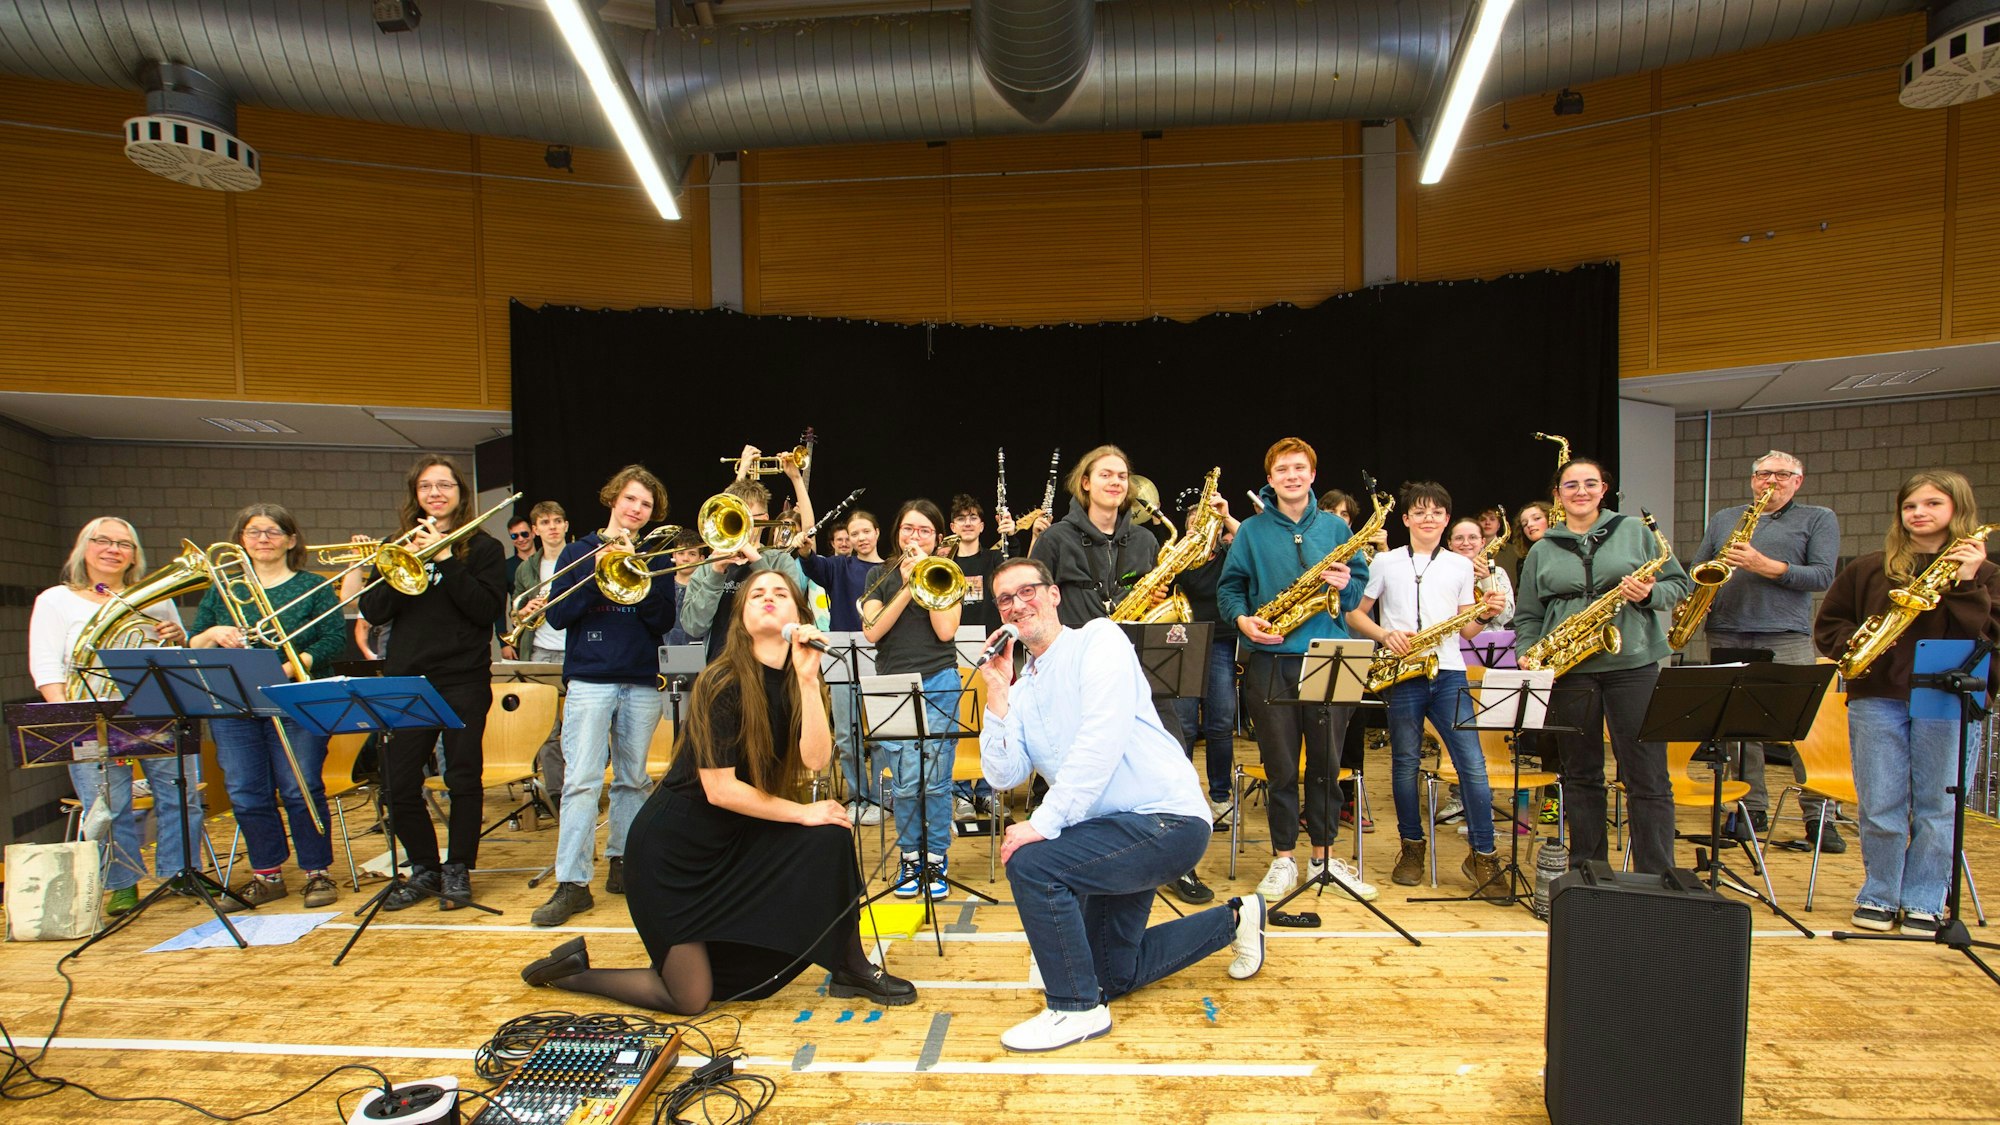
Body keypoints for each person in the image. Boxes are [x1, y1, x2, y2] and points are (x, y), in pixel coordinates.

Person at [519, 570, 914, 1012]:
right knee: (689, 997)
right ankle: (575, 972)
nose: (767, 598)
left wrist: (807, 680)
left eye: (780, 593)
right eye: (756, 595)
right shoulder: (721, 682)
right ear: (741, 618)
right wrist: (803, 812)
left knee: (831, 834)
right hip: (674, 856)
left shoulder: (796, 679)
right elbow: (721, 790)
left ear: (800, 615)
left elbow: (816, 759)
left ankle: (849, 965)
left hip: (734, 840)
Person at [978, 557, 1264, 1052]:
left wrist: (1041, 824)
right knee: (1112, 972)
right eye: (1005, 599)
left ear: (1053, 595)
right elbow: (1004, 775)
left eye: (1028, 591)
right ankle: (1237, 920)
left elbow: (1100, 742)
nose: (1017, 604)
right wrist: (998, 693)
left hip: (1165, 822)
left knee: (1032, 862)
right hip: (1108, 835)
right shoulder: (1021, 691)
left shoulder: (1099, 638)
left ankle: (1074, 1008)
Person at [1813, 469, 1999, 934]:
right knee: (1880, 802)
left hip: (1948, 698)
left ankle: (1924, 898)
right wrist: (1858, 643)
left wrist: (1967, 581)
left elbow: (1987, 637)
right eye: (1911, 505)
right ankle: (1880, 893)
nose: (1919, 513)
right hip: (1879, 695)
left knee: (1939, 805)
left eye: (1933, 504)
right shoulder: (1869, 568)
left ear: (1957, 509)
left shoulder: (1987, 574)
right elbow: (1830, 624)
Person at [1029, 446, 1205, 903]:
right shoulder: (1055, 540)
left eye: (1122, 476)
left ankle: (1176, 860)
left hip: (1141, 669)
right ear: (1084, 482)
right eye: (1105, 475)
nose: (1116, 483)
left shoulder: (1145, 542)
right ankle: (1078, 857)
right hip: (1078, 668)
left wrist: (1155, 596)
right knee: (1083, 765)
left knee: (1171, 755)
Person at [1513, 457, 1692, 874]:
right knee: (1580, 773)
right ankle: (1588, 870)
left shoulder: (1634, 532)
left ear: (1604, 489)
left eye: (1590, 483)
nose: (1580, 491)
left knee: (1646, 773)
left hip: (1633, 662)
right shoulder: (1542, 549)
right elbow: (1528, 615)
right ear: (1557, 494)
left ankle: (1656, 872)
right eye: (1570, 485)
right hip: (1570, 667)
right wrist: (1528, 649)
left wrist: (1648, 594)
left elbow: (1678, 584)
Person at [1217, 438, 1377, 902]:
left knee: (1328, 766)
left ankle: (1324, 859)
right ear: (1270, 479)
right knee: (1281, 768)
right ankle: (1284, 858)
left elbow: (1355, 596)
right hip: (1270, 661)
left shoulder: (1335, 529)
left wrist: (1348, 584)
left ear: (1312, 475)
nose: (1291, 475)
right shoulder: (1250, 530)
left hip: (1332, 656)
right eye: (1282, 469)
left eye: (1299, 468)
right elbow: (1231, 591)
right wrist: (1243, 620)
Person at [358, 455, 509, 910]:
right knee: (398, 781)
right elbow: (374, 610)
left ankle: (459, 867)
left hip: (463, 678)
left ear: (461, 495)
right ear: (415, 495)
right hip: (407, 678)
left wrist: (444, 558)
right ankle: (423, 867)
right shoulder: (395, 546)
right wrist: (402, 564)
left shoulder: (483, 549)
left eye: (445, 485)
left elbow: (484, 611)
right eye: (426, 486)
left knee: (463, 776)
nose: (436, 493)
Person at [532, 467, 678, 926]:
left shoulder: (657, 555)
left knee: (632, 779)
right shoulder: (577, 552)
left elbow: (661, 620)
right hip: (591, 678)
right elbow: (558, 617)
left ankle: (623, 862)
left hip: (639, 678)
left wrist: (641, 572)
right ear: (614, 499)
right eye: (631, 500)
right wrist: (597, 573)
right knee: (581, 781)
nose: (637, 509)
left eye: (646, 505)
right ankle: (572, 883)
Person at [28, 517, 196, 917]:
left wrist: (178, 639)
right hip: (91, 713)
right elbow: (47, 665)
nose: (113, 549)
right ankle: (123, 885)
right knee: (108, 804)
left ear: (134, 555)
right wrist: (71, 716)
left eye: (125, 544)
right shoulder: (56, 599)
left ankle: (178, 873)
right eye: (103, 541)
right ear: (83, 548)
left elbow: (172, 662)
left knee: (180, 795)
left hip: (153, 709)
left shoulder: (154, 598)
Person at [1345, 483, 1507, 889]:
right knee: (1404, 766)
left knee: (1472, 766)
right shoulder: (1385, 562)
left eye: (1436, 512)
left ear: (1446, 519)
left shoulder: (1460, 566)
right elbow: (1354, 615)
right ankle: (1412, 847)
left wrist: (1486, 615)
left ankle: (1483, 855)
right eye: (1419, 512)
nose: (1428, 518)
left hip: (1450, 673)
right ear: (1405, 520)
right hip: (1404, 672)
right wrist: (1384, 636)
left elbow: (1467, 629)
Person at [188, 504, 347, 910]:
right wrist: (213, 632)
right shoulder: (221, 589)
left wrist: (292, 665)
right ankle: (267, 875)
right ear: (241, 539)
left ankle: (316, 872)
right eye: (253, 531)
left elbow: (333, 639)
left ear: (291, 540)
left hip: (295, 698)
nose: (263, 539)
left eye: (273, 531)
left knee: (300, 787)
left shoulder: (311, 585)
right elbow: (193, 643)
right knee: (245, 791)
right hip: (234, 704)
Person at [1687, 451, 1841, 848]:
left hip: (1785, 634)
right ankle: (1748, 807)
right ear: (1753, 479)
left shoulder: (1817, 517)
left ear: (1797, 481)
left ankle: (1818, 815)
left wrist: (1763, 564)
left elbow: (1823, 575)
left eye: (1780, 475)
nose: (1770, 481)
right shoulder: (1725, 518)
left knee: (1802, 727)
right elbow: (1701, 568)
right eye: (1762, 474)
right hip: (1726, 630)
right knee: (1738, 729)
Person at [862, 499, 964, 899]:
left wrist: (926, 574)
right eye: (908, 529)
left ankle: (936, 858)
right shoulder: (878, 574)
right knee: (904, 782)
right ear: (897, 532)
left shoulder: (946, 573)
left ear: (938, 538)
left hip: (938, 679)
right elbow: (872, 631)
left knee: (936, 781)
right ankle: (909, 858)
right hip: (892, 683)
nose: (914, 536)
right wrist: (905, 586)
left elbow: (945, 631)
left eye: (924, 530)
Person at [798, 509, 886, 822]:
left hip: (882, 659)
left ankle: (879, 798)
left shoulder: (891, 569)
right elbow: (811, 564)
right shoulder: (838, 566)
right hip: (841, 659)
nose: (860, 538)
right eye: (854, 534)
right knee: (847, 736)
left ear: (877, 532)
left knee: (880, 735)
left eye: (866, 531)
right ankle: (857, 796)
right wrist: (806, 548)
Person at [682, 463, 812, 663]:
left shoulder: (780, 560)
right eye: (738, 518)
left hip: (770, 669)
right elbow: (693, 626)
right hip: (721, 669)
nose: (744, 527)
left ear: (765, 519)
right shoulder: (710, 564)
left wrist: (757, 562)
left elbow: (793, 617)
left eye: (750, 519)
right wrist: (716, 572)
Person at [1170, 494, 1242, 822]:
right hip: (1182, 643)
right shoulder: (1176, 558)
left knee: (1220, 724)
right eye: (1193, 527)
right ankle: (1181, 796)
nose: (1199, 531)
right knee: (1183, 726)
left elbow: (1252, 542)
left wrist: (1225, 518)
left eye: (1205, 524)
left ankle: (1220, 797)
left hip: (1222, 643)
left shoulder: (1230, 551)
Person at [506, 501, 570, 804]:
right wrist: (524, 612)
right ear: (535, 530)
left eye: (558, 521)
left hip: (574, 651)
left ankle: (578, 789)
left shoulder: (578, 560)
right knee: (547, 730)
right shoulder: (525, 569)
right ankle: (556, 793)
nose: (552, 527)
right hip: (540, 651)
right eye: (545, 523)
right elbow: (515, 612)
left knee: (576, 727)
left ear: (566, 526)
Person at [1448, 517, 1514, 626]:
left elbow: (1505, 617)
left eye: (1473, 537)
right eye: (1459, 538)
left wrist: (1487, 580)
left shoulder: (1498, 573)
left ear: (1482, 542)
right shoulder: (1440, 572)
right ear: (1450, 543)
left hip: (1492, 640)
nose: (1466, 543)